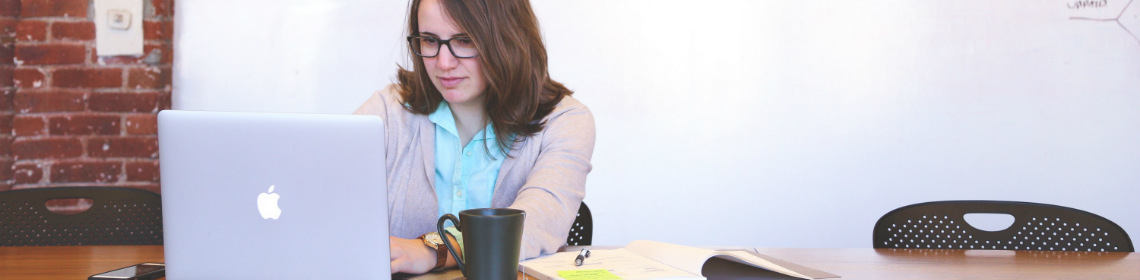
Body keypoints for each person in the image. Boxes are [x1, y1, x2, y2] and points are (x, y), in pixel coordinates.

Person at [353, 0, 595, 274]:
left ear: (508, 38)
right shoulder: (387, 111)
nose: (443, 63)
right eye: (430, 40)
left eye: (465, 40)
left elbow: (540, 221)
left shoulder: (565, 121)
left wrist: (434, 250)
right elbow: (323, 198)